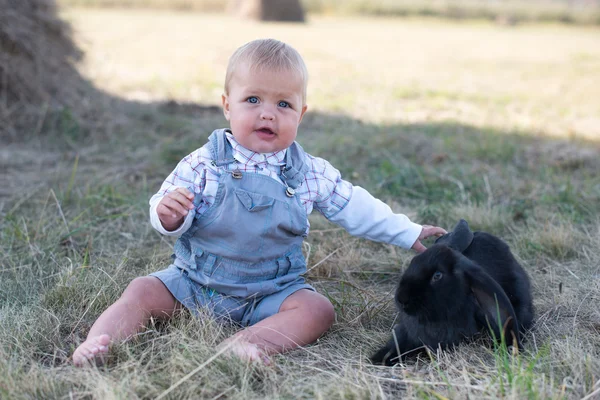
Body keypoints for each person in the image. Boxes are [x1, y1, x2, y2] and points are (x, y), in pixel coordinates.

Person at [72, 38, 446, 367]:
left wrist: (407, 231)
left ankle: (247, 343)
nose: (268, 112)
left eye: (283, 104)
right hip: (196, 284)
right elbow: (165, 205)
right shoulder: (204, 162)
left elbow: (355, 206)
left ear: (300, 114)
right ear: (227, 106)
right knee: (142, 290)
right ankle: (97, 342)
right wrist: (168, 215)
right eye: (253, 99)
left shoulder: (309, 172)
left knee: (317, 310)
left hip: (272, 291)